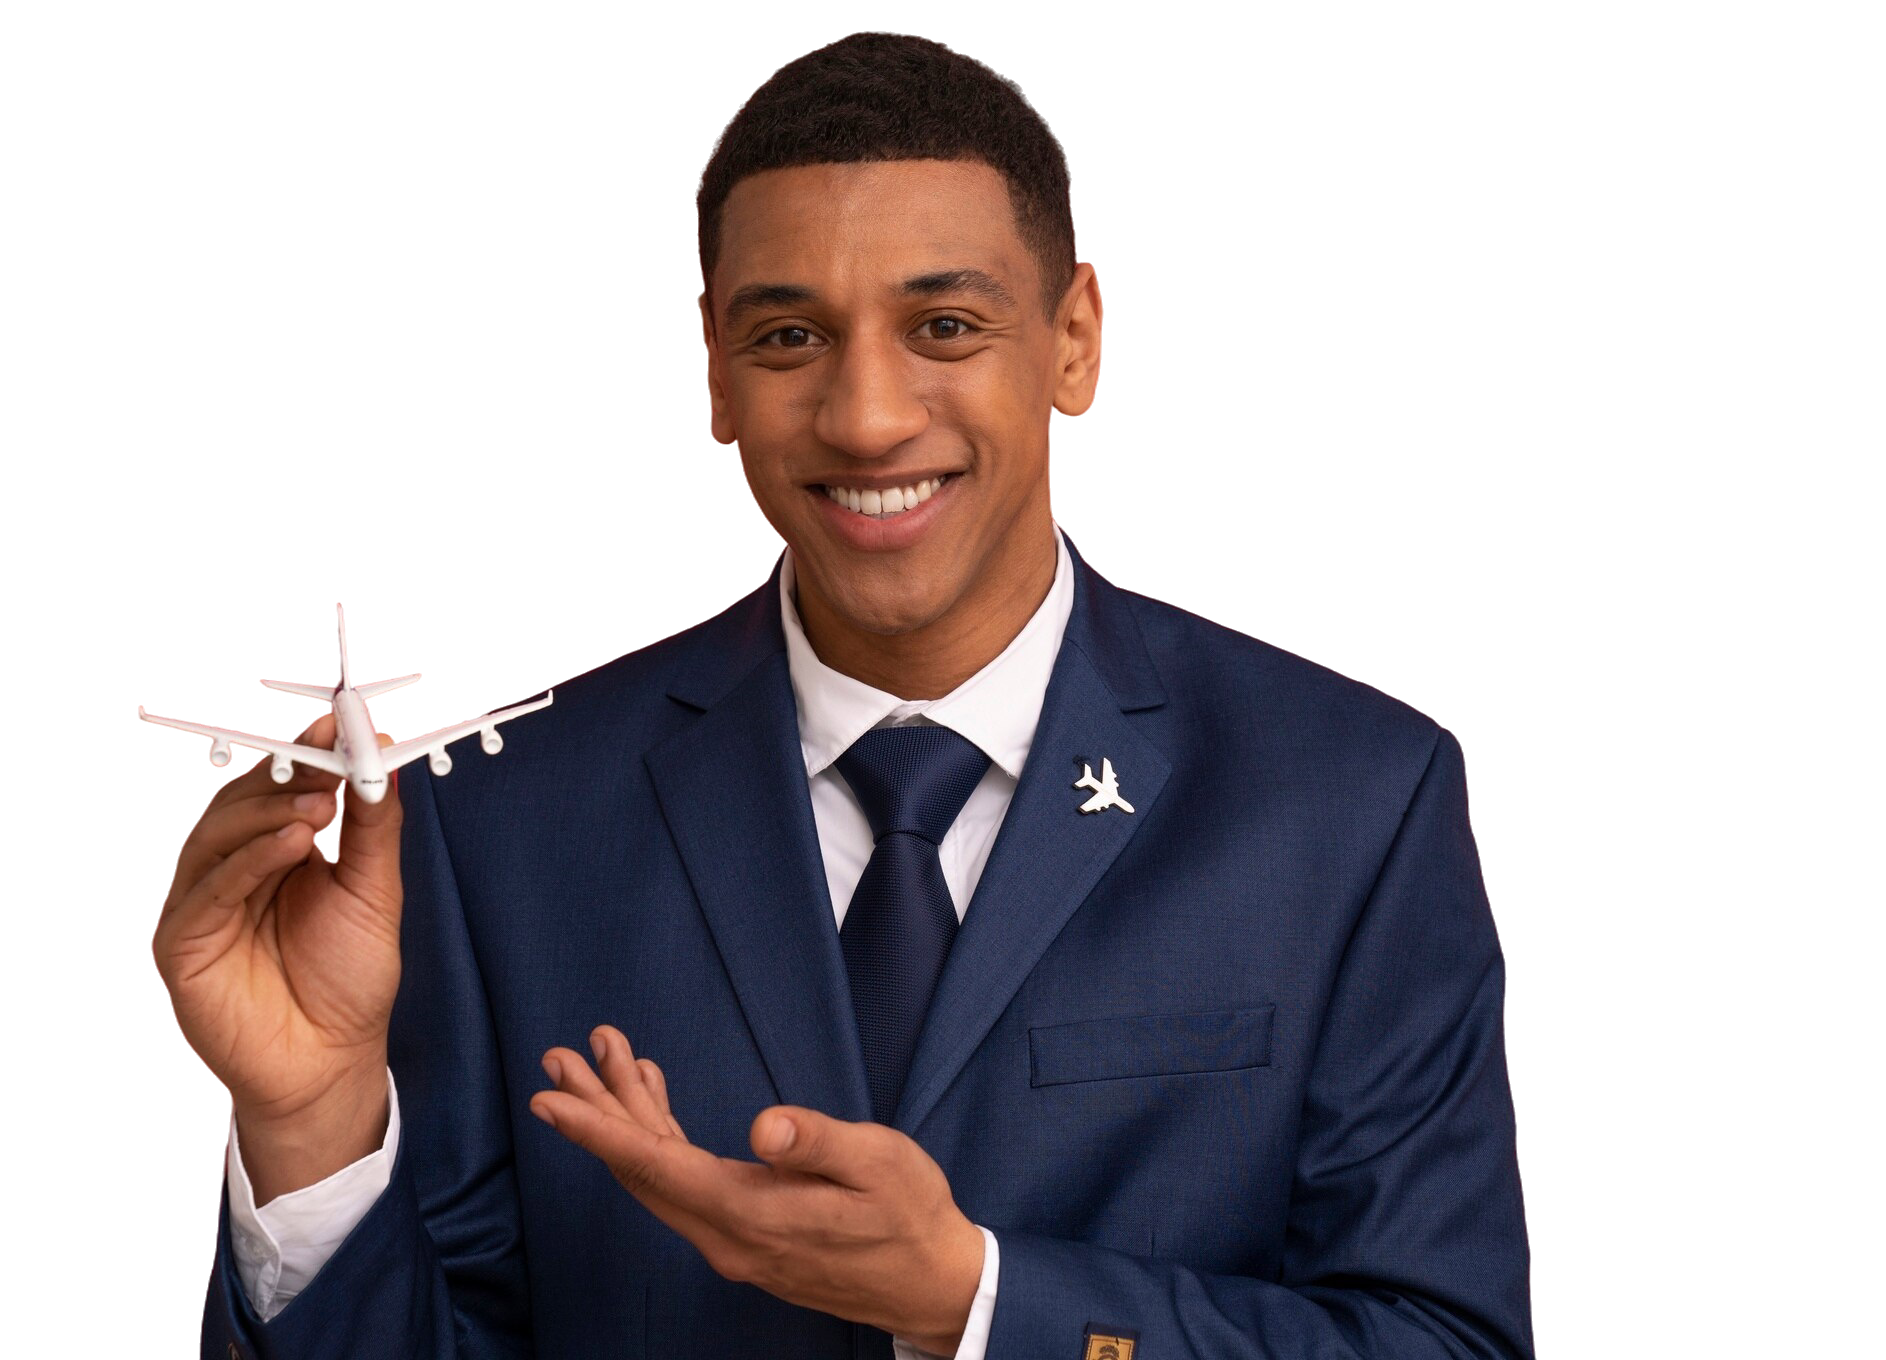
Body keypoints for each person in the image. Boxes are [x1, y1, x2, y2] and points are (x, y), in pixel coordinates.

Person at [159, 26, 1541, 1359]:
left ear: (1076, 341)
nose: (868, 415)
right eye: (787, 339)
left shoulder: (1356, 797)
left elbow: (1445, 1338)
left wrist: (981, 1304)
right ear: (710, 369)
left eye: (943, 323)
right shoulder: (503, 820)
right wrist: (309, 1129)